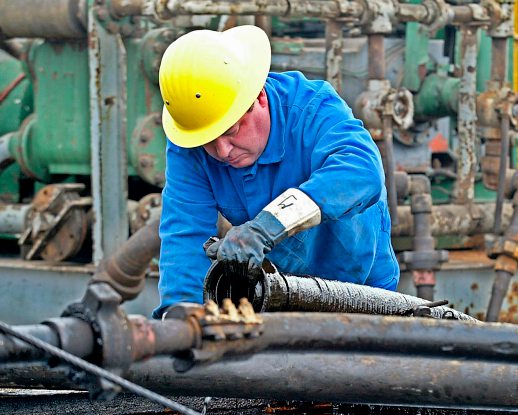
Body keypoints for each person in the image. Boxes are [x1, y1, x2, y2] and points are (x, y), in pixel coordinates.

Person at [153, 25, 399, 317]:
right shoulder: (193, 137)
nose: (222, 151)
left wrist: (266, 227)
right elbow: (185, 233)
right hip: (276, 297)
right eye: (208, 141)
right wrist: (181, 318)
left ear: (259, 98)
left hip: (363, 293)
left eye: (231, 131)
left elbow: (361, 171)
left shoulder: (312, 109)